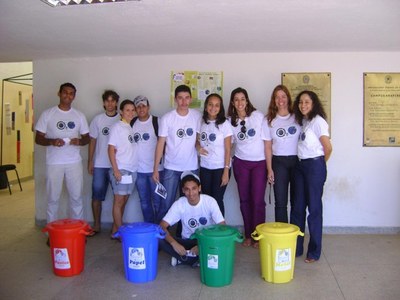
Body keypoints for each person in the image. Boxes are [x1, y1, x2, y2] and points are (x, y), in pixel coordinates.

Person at [35, 82, 90, 226]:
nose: (68, 95)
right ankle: (51, 232)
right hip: (54, 163)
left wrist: (79, 141)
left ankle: (77, 231)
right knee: (53, 199)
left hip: (74, 162)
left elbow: (87, 138)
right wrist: (52, 142)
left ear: (74, 96)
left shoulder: (79, 115)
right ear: (59, 94)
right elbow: (38, 138)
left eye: (71, 93)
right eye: (65, 92)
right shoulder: (48, 114)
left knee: (76, 198)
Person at [290, 90, 332, 263]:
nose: (303, 105)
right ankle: (296, 248)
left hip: (314, 166)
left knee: (314, 210)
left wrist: (319, 165)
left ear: (313, 103)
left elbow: (328, 148)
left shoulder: (318, 122)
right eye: (300, 102)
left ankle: (314, 252)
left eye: (307, 102)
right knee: (297, 208)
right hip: (300, 166)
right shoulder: (304, 121)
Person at [152, 85, 201, 220]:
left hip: (191, 167)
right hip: (171, 167)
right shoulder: (167, 118)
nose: (183, 102)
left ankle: (184, 234)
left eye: (186, 98)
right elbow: (160, 143)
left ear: (190, 99)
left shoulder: (197, 116)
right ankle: (160, 235)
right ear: (175, 100)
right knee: (166, 203)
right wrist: (155, 168)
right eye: (180, 98)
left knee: (191, 203)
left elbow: (198, 140)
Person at [227, 87, 267, 248]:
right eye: (236, 99)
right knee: (244, 200)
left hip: (259, 163)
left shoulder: (258, 116)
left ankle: (258, 235)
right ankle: (249, 234)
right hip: (241, 163)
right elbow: (228, 145)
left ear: (247, 100)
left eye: (242, 98)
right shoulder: (230, 121)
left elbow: (267, 141)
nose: (240, 102)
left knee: (257, 200)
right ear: (232, 102)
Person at [159, 171, 225, 267]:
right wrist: (174, 244)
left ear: (199, 188)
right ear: (183, 190)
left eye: (194, 188)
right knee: (159, 238)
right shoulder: (179, 204)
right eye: (187, 189)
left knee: (220, 243)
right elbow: (162, 226)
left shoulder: (210, 201)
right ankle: (197, 260)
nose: (191, 193)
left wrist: (202, 246)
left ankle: (184, 259)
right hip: (188, 241)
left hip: (207, 241)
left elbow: (222, 226)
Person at [263, 85, 300, 223]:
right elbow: (267, 146)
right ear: (273, 100)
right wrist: (269, 169)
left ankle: (296, 236)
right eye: (277, 97)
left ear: (288, 98)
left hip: (297, 162)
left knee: (297, 201)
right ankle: (282, 236)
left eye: (283, 96)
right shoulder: (269, 120)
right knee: (280, 202)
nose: (280, 100)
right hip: (278, 163)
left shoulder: (297, 118)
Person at [87, 90, 120, 235]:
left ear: (117, 103)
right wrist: (90, 161)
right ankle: (97, 225)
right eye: (107, 100)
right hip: (100, 164)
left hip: (118, 166)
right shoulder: (97, 120)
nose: (110, 103)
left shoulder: (122, 119)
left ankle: (116, 227)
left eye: (113, 101)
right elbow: (92, 141)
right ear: (103, 103)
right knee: (96, 196)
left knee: (119, 198)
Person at [197, 93, 232, 216]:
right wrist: (198, 148)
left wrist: (226, 171)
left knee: (217, 200)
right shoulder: (201, 122)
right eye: (210, 104)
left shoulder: (225, 124)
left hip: (220, 168)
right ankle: (208, 231)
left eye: (217, 105)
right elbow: (196, 140)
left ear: (220, 108)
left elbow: (228, 149)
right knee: (206, 200)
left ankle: (220, 231)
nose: (213, 107)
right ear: (206, 107)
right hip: (205, 167)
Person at [131, 95, 164, 224]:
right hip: (138, 170)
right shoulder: (132, 123)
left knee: (158, 201)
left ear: (148, 107)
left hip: (156, 170)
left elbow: (164, 143)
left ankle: (160, 228)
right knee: (144, 201)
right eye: (138, 107)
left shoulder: (157, 121)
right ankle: (149, 227)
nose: (141, 109)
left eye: (143, 106)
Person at [108, 99, 138, 238]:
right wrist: (116, 171)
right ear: (121, 112)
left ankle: (115, 229)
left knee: (124, 200)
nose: (131, 113)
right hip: (121, 169)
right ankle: (121, 233)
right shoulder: (117, 127)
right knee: (119, 200)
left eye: (133, 110)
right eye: (127, 110)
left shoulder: (130, 127)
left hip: (131, 170)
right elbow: (110, 149)